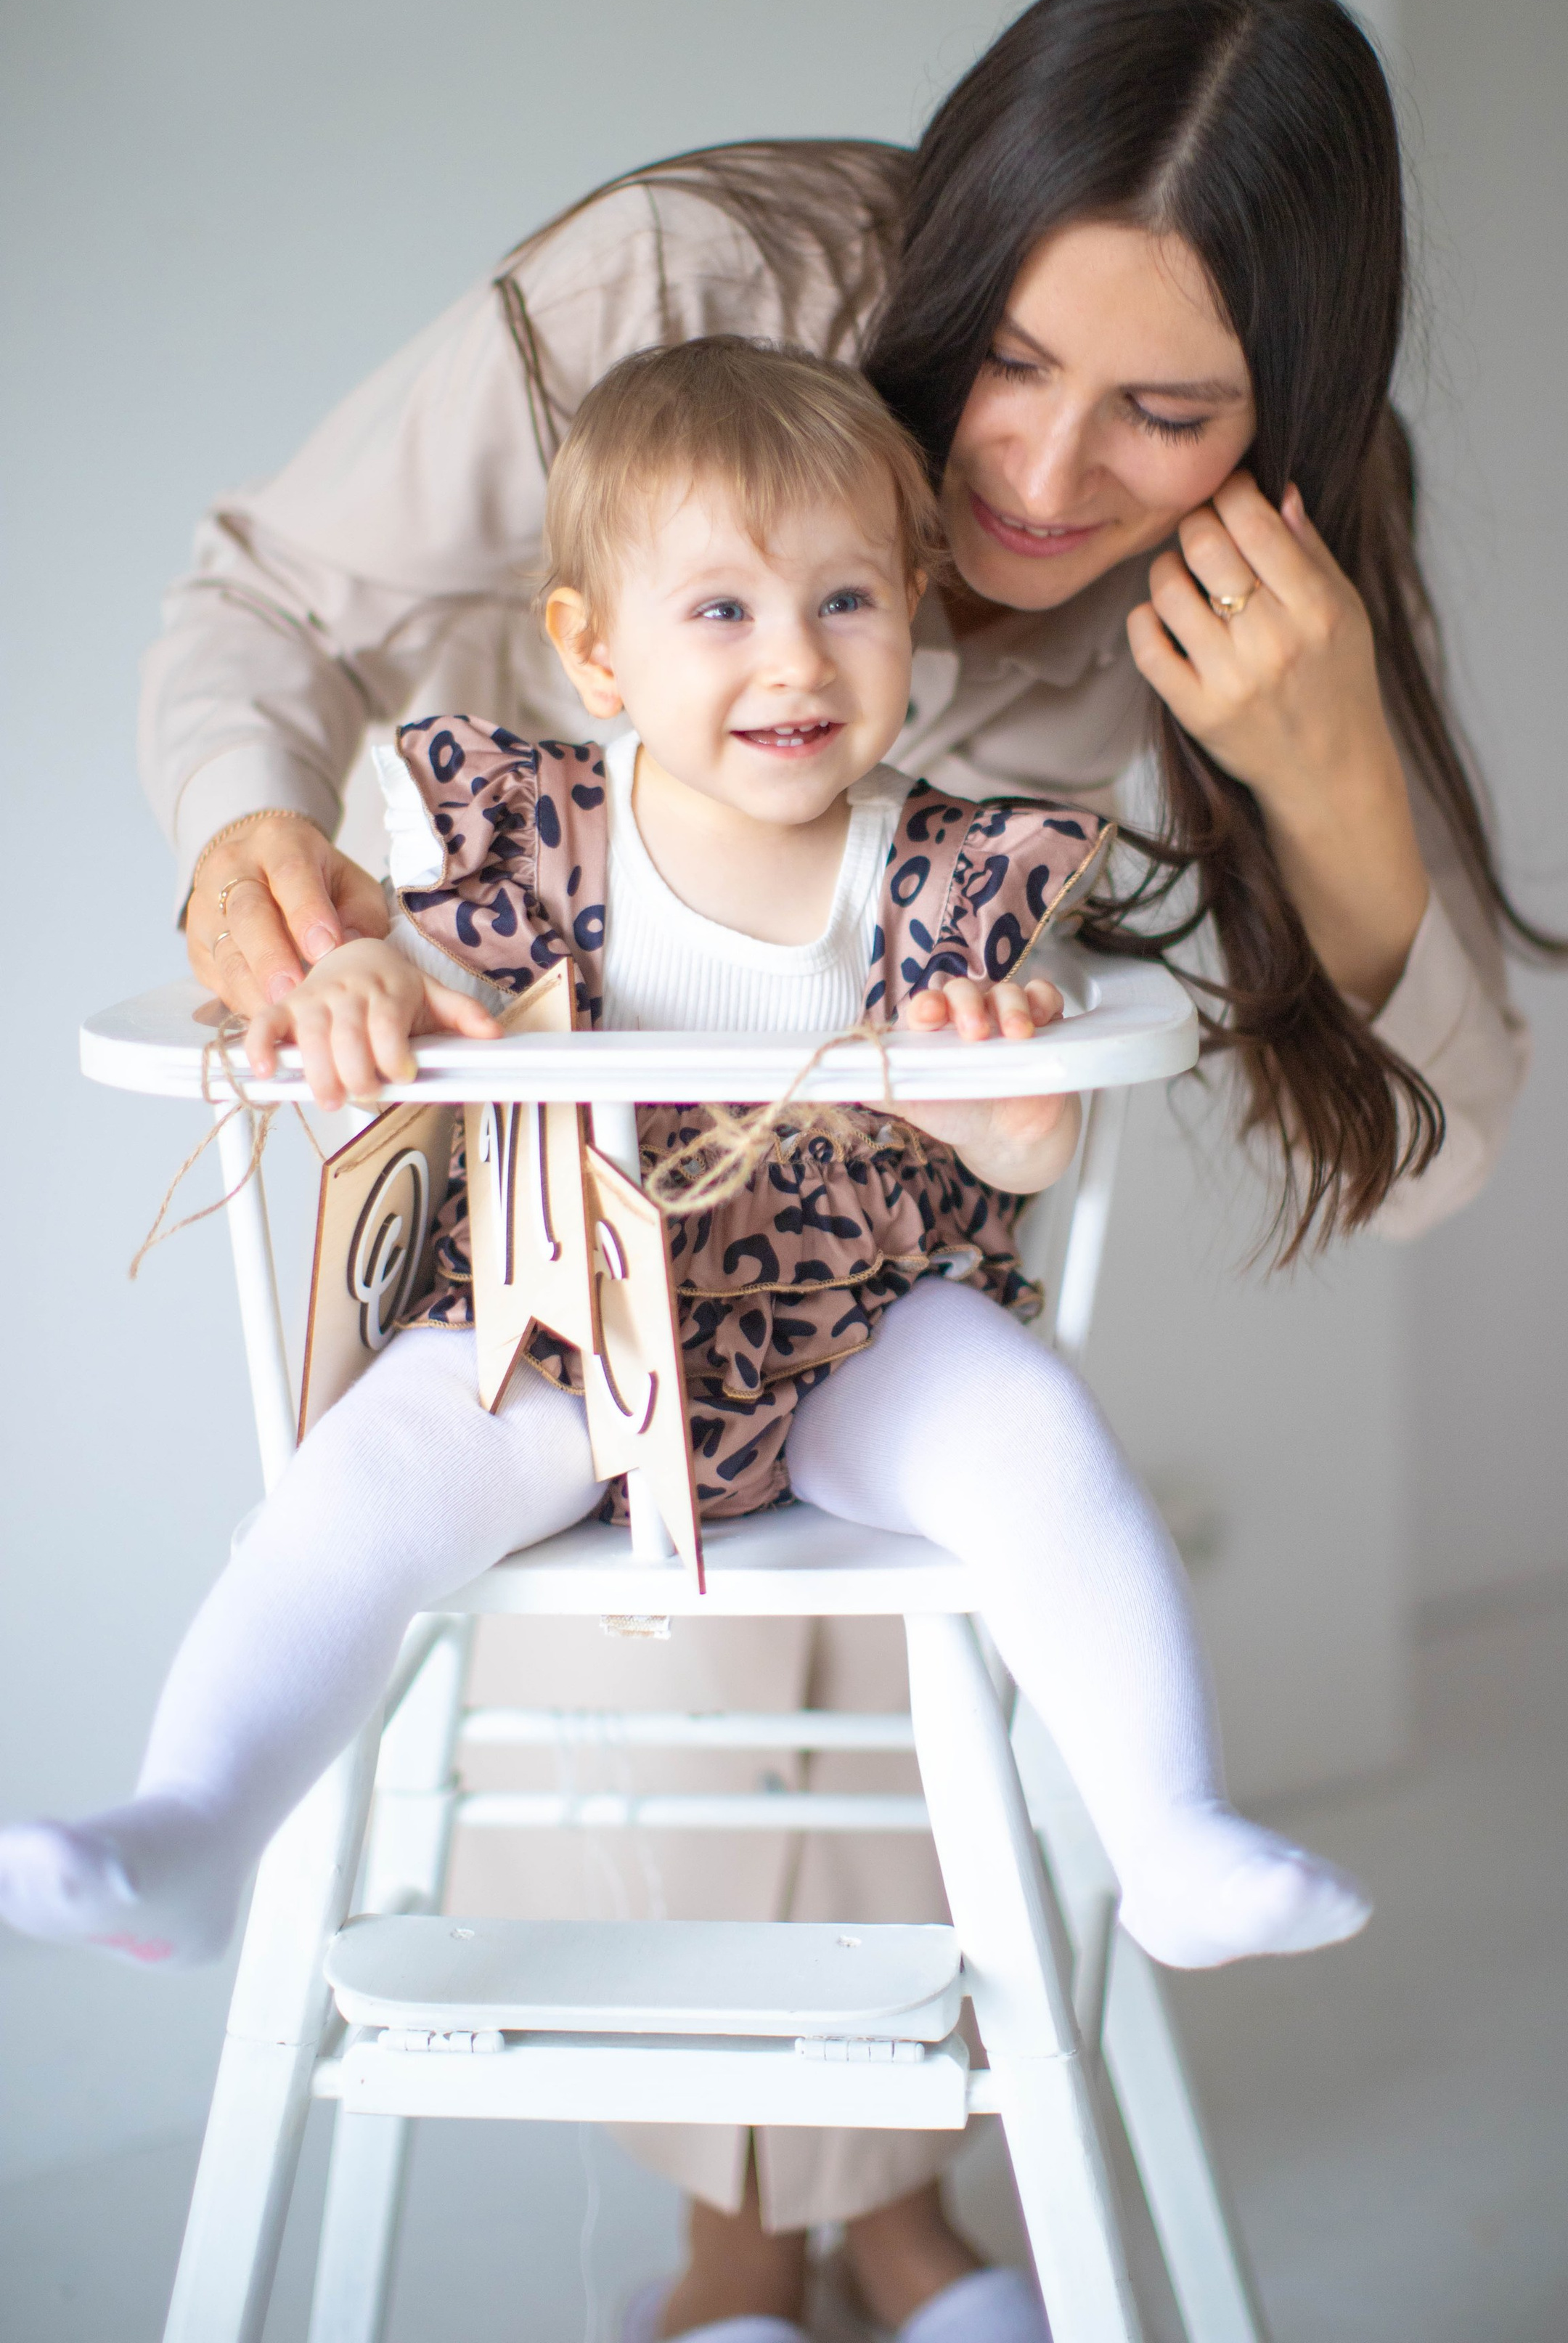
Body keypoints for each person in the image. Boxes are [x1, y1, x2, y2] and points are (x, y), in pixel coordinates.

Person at [135, 0, 1560, 2335]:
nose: (1034, 477)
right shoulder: (700, 288)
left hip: (884, 1239)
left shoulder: (1264, 570)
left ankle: (857, 2229)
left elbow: (1432, 1159)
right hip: (573, 1177)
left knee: (934, 1561)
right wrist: (242, 841)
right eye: (1008, 359)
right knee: (661, 1594)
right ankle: (775, 2243)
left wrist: (1324, 769)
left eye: (1161, 416)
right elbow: (267, 597)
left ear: (1284, 417)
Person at [4, 343, 1370, 2343]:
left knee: (1034, 1439)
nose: (791, 658)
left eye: (845, 600)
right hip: (574, 1327)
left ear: (910, 622)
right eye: (720, 608)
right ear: (597, 649)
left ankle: (1164, 1829)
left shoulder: (935, 870)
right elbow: (408, 986)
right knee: (363, 1486)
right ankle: (202, 1819)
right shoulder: (536, 840)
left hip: (862, 1319)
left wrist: (1003, 1079)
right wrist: (368, 979)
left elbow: (1026, 1135)